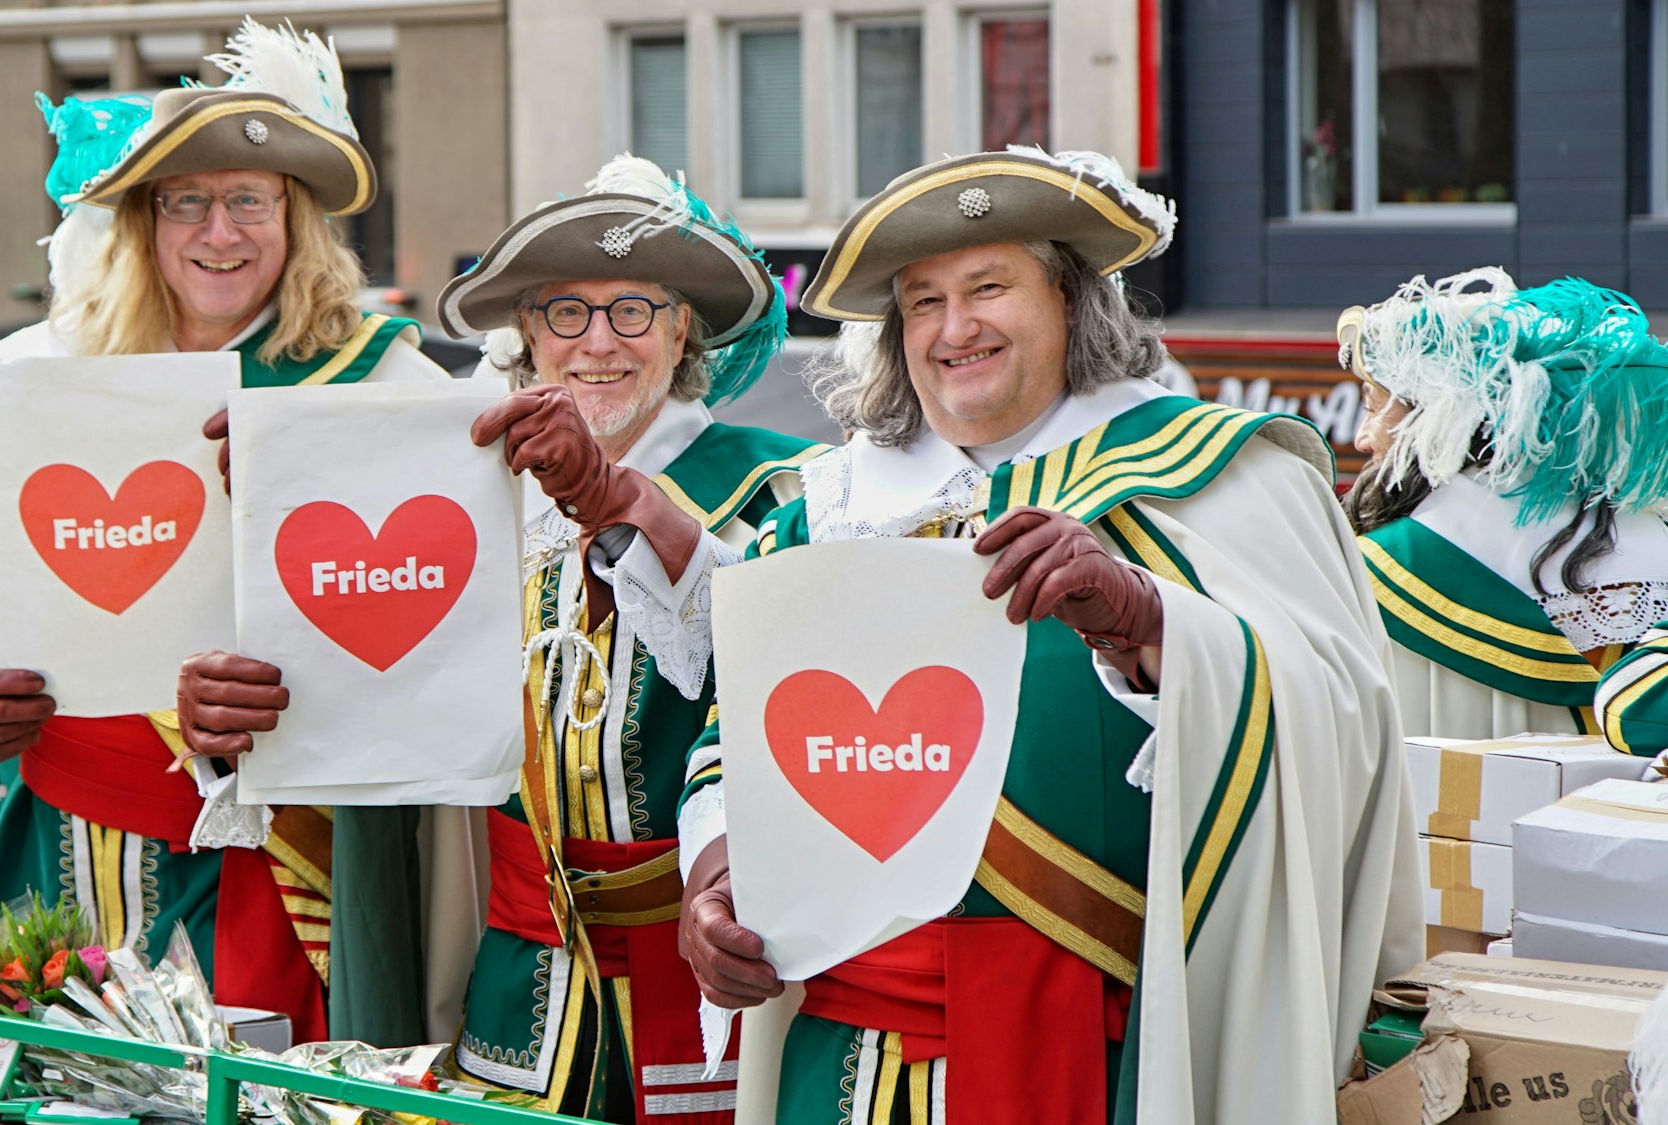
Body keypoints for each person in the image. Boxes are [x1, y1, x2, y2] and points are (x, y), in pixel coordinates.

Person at [653, 149, 1419, 1124]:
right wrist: (717, 869)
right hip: (836, 1060)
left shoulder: (1222, 478)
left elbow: (1342, 720)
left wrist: (1153, 624)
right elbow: (737, 735)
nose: (953, 327)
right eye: (921, 301)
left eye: (987, 287)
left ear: (1070, 303)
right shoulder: (823, 509)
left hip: (1091, 1058)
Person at [183, 154, 825, 1121]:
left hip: (709, 991)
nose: (599, 342)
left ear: (682, 325)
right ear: (527, 333)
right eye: (566, 311)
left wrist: (621, 506)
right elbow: (387, 716)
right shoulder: (469, 497)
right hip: (515, 990)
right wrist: (249, 728)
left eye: (634, 309)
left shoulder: (786, 487)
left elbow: (777, 663)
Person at [0, 18, 454, 1043]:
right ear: (142, 227)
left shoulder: (380, 380)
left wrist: (288, 685)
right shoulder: (52, 372)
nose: (219, 231)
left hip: (276, 868)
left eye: (250, 200)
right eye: (185, 203)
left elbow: (432, 616)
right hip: (57, 845)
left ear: (295, 221)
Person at [1339, 270, 1668, 741]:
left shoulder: (1364, 572)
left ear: (1437, 415)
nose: (1362, 438)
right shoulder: (1649, 561)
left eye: (1373, 407)